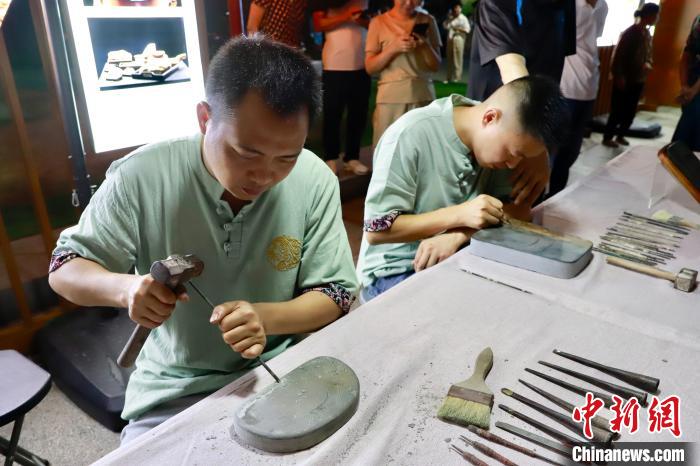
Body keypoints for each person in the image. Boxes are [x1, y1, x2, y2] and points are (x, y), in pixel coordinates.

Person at [48, 37, 358, 444]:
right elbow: (64, 267)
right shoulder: (141, 177)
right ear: (204, 118)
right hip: (175, 387)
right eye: (246, 152)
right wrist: (126, 289)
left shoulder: (315, 179)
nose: (264, 176)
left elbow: (335, 294)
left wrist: (265, 318)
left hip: (282, 369)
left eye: (286, 157)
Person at [356, 75, 569, 301]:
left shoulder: (507, 136)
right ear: (489, 118)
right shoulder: (410, 134)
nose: (513, 164)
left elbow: (518, 212)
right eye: (513, 153)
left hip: (458, 254)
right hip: (395, 270)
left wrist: (460, 233)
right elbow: (376, 230)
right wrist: (459, 215)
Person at [467, 0, 576, 203]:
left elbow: (554, 69)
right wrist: (537, 145)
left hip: (533, 128)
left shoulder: (567, 5)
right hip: (499, 127)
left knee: (522, 203)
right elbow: (512, 70)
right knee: (480, 205)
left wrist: (541, 146)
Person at [549, 0, 608, 197]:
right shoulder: (570, 4)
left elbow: (592, 40)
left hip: (589, 87)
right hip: (566, 86)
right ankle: (534, 200)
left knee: (571, 151)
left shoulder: (602, 6)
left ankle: (555, 197)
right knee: (551, 149)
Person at [365, 0, 442, 146]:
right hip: (391, 98)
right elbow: (370, 67)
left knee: (423, 150)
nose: (409, 3)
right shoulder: (378, 22)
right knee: (388, 149)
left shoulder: (428, 20)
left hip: (423, 96)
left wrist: (424, 46)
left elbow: (436, 65)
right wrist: (393, 48)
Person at [312, 0, 372, 176]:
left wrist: (358, 19)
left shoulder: (366, 2)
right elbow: (319, 24)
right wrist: (347, 16)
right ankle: (330, 158)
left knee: (358, 114)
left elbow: (375, 24)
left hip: (362, 64)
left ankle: (352, 157)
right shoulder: (326, 4)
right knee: (333, 113)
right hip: (334, 65)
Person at [602, 3, 660, 148]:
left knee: (630, 110)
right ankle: (608, 137)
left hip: (638, 78)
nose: (657, 18)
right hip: (625, 78)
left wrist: (647, 63)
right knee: (617, 109)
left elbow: (648, 55)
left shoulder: (646, 34)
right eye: (656, 15)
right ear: (649, 16)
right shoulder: (631, 33)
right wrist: (619, 75)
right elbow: (619, 57)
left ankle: (621, 135)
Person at [672, 14, 700, 151]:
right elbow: (685, 57)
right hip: (693, 83)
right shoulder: (698, 20)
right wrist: (685, 87)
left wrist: (692, 90)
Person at [443, 1, 470, 83]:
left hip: (459, 38)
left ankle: (457, 78)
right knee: (449, 59)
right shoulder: (451, 18)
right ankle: (448, 77)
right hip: (450, 39)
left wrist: (458, 29)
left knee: (458, 59)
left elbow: (467, 30)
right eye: (455, 8)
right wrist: (448, 18)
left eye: (458, 8)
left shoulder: (463, 18)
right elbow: (445, 26)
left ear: (460, 9)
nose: (456, 10)